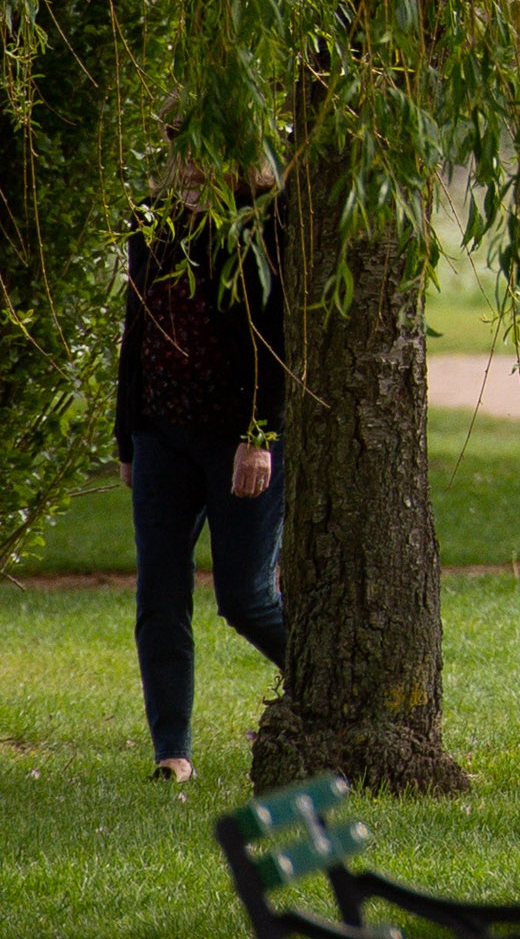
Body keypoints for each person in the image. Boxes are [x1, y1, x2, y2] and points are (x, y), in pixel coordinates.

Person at [116, 166, 288, 784]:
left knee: (245, 597)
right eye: (170, 140)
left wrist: (259, 436)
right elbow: (137, 328)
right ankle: (172, 753)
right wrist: (126, 435)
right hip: (159, 434)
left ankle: (329, 687)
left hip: (238, 438)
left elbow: (275, 334)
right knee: (158, 595)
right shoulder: (150, 218)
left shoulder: (261, 221)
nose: (180, 155)